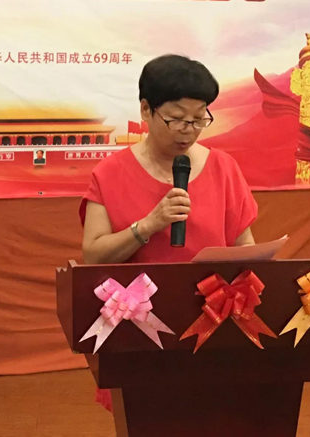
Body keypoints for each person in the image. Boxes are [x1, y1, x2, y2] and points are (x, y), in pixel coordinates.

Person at [80, 54, 258, 413]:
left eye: (199, 119)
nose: (188, 130)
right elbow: (92, 255)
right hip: (140, 330)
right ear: (146, 110)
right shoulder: (109, 174)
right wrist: (147, 226)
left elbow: (247, 249)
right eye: (176, 119)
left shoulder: (224, 168)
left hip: (214, 327)